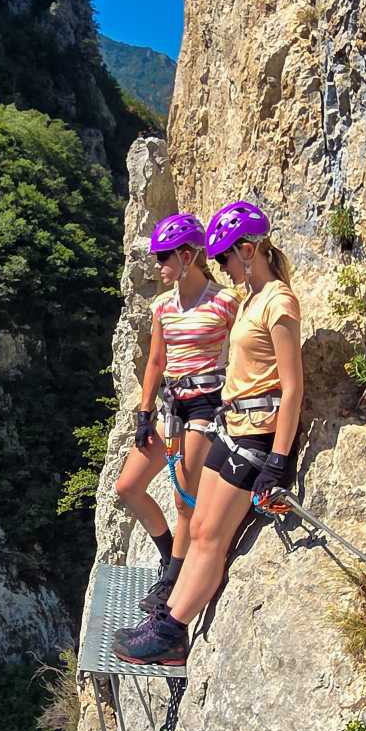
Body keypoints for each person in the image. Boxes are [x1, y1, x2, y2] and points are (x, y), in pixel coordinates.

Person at [114, 200, 303, 667]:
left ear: (250, 249)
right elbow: (160, 360)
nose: (221, 265)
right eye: (217, 258)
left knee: (209, 533)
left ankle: (171, 631)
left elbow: (292, 385)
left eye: (225, 257)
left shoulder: (275, 301)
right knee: (197, 524)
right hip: (230, 424)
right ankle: (167, 616)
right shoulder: (251, 300)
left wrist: (278, 461)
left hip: (254, 432)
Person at [113, 211, 238, 615]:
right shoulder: (163, 306)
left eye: (165, 256)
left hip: (205, 405)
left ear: (188, 256)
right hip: (171, 405)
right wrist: (143, 412)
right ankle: (169, 553)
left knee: (185, 500)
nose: (158, 265)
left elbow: (248, 351)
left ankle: (172, 582)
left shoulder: (223, 302)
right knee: (127, 486)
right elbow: (155, 361)